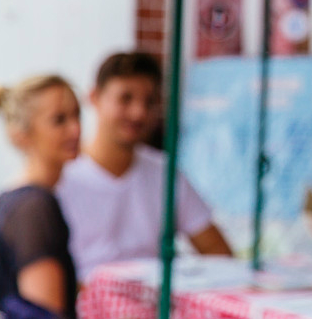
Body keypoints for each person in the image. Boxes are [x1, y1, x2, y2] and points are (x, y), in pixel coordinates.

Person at [57, 52, 231, 280]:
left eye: (149, 102)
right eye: (125, 98)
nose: (139, 113)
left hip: (155, 308)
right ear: (94, 97)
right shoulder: (61, 177)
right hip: (83, 311)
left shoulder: (164, 173)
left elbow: (218, 252)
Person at [0, 76, 82, 319]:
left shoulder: (7, 199)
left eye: (77, 115)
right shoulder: (34, 207)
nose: (76, 129)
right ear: (21, 135)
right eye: (59, 120)